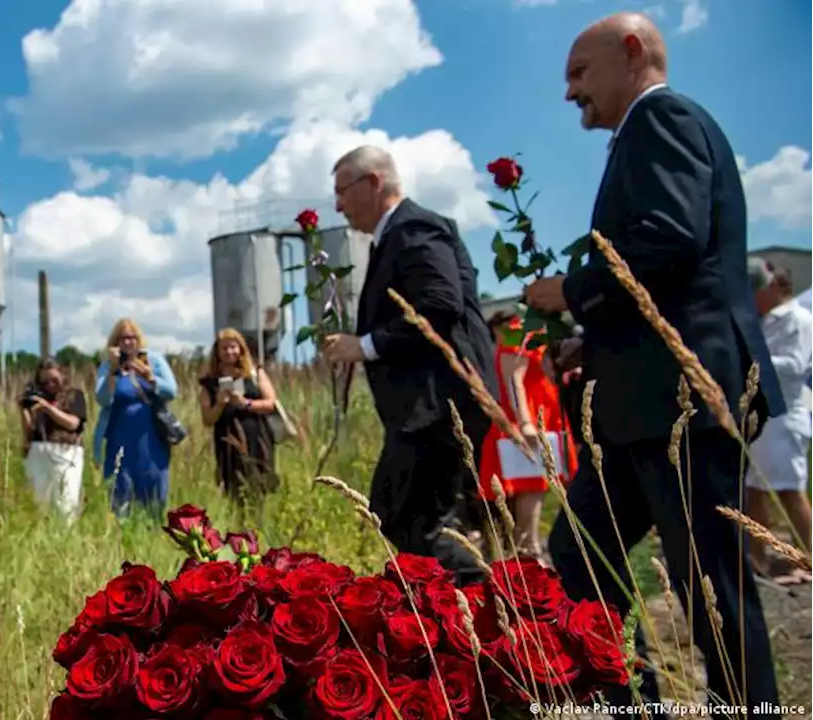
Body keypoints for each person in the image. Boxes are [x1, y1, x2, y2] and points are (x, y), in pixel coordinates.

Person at [523, 12, 783, 713]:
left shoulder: (660, 120)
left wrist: (570, 293)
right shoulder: (639, 135)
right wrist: (592, 339)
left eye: (579, 72)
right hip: (642, 406)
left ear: (631, 51)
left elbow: (669, 240)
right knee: (582, 558)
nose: (569, 92)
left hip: (680, 404)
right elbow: (664, 276)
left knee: (712, 588)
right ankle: (626, 701)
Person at [321, 145, 497, 586]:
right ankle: (465, 610)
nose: (338, 205)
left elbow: (439, 303)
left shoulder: (413, 227)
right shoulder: (395, 236)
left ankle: (488, 599)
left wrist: (364, 345)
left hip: (438, 408)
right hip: (428, 410)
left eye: (342, 192)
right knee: (402, 513)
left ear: (374, 183)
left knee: (408, 518)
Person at [477, 311, 577, 560]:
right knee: (531, 491)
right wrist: (525, 422)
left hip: (540, 420)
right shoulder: (518, 332)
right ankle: (529, 556)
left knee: (536, 492)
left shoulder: (531, 333)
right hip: (528, 424)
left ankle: (527, 554)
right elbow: (514, 379)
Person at [744, 259, 813, 585]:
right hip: (764, 418)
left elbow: (796, 365)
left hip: (786, 416)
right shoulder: (766, 320)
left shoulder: (799, 320)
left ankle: (808, 559)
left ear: (775, 287)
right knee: (754, 490)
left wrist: (752, 358)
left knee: (789, 491)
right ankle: (757, 558)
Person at [93, 318, 179, 518]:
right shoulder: (108, 366)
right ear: (115, 342)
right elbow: (103, 399)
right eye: (123, 338)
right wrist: (113, 372)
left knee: (154, 491)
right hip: (119, 440)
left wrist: (150, 377)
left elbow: (171, 391)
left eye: (132, 338)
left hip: (151, 440)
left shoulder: (154, 360)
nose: (128, 342)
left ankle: (153, 530)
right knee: (120, 492)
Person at [198, 328, 280, 508]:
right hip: (227, 442)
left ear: (241, 349)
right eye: (224, 348)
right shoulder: (209, 383)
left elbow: (271, 403)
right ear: (217, 353)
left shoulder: (254, 373)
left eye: (233, 347)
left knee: (259, 485)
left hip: (257, 439)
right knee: (233, 490)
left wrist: (245, 403)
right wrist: (219, 404)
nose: (229, 352)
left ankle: (258, 525)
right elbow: (207, 419)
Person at [21, 358, 88, 523]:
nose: (49, 384)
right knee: (38, 503)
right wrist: (23, 408)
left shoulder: (74, 395)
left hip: (65, 452)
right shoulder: (39, 396)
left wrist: (49, 409)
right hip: (39, 452)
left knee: (65, 502)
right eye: (44, 381)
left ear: (63, 375)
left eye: (54, 380)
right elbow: (30, 430)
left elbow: (73, 423)